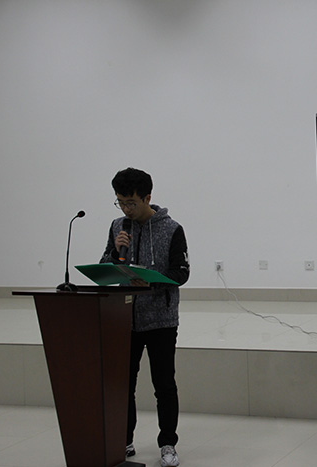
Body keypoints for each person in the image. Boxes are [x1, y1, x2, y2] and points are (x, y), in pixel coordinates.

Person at [100, 167, 189, 467]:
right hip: (125, 318)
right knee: (124, 384)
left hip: (161, 319)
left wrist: (151, 282)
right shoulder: (117, 226)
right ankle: (124, 440)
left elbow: (181, 273)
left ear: (147, 198)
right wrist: (116, 252)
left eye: (131, 202)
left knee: (164, 384)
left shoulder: (171, 229)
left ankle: (168, 444)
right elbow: (106, 266)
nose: (126, 209)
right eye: (120, 202)